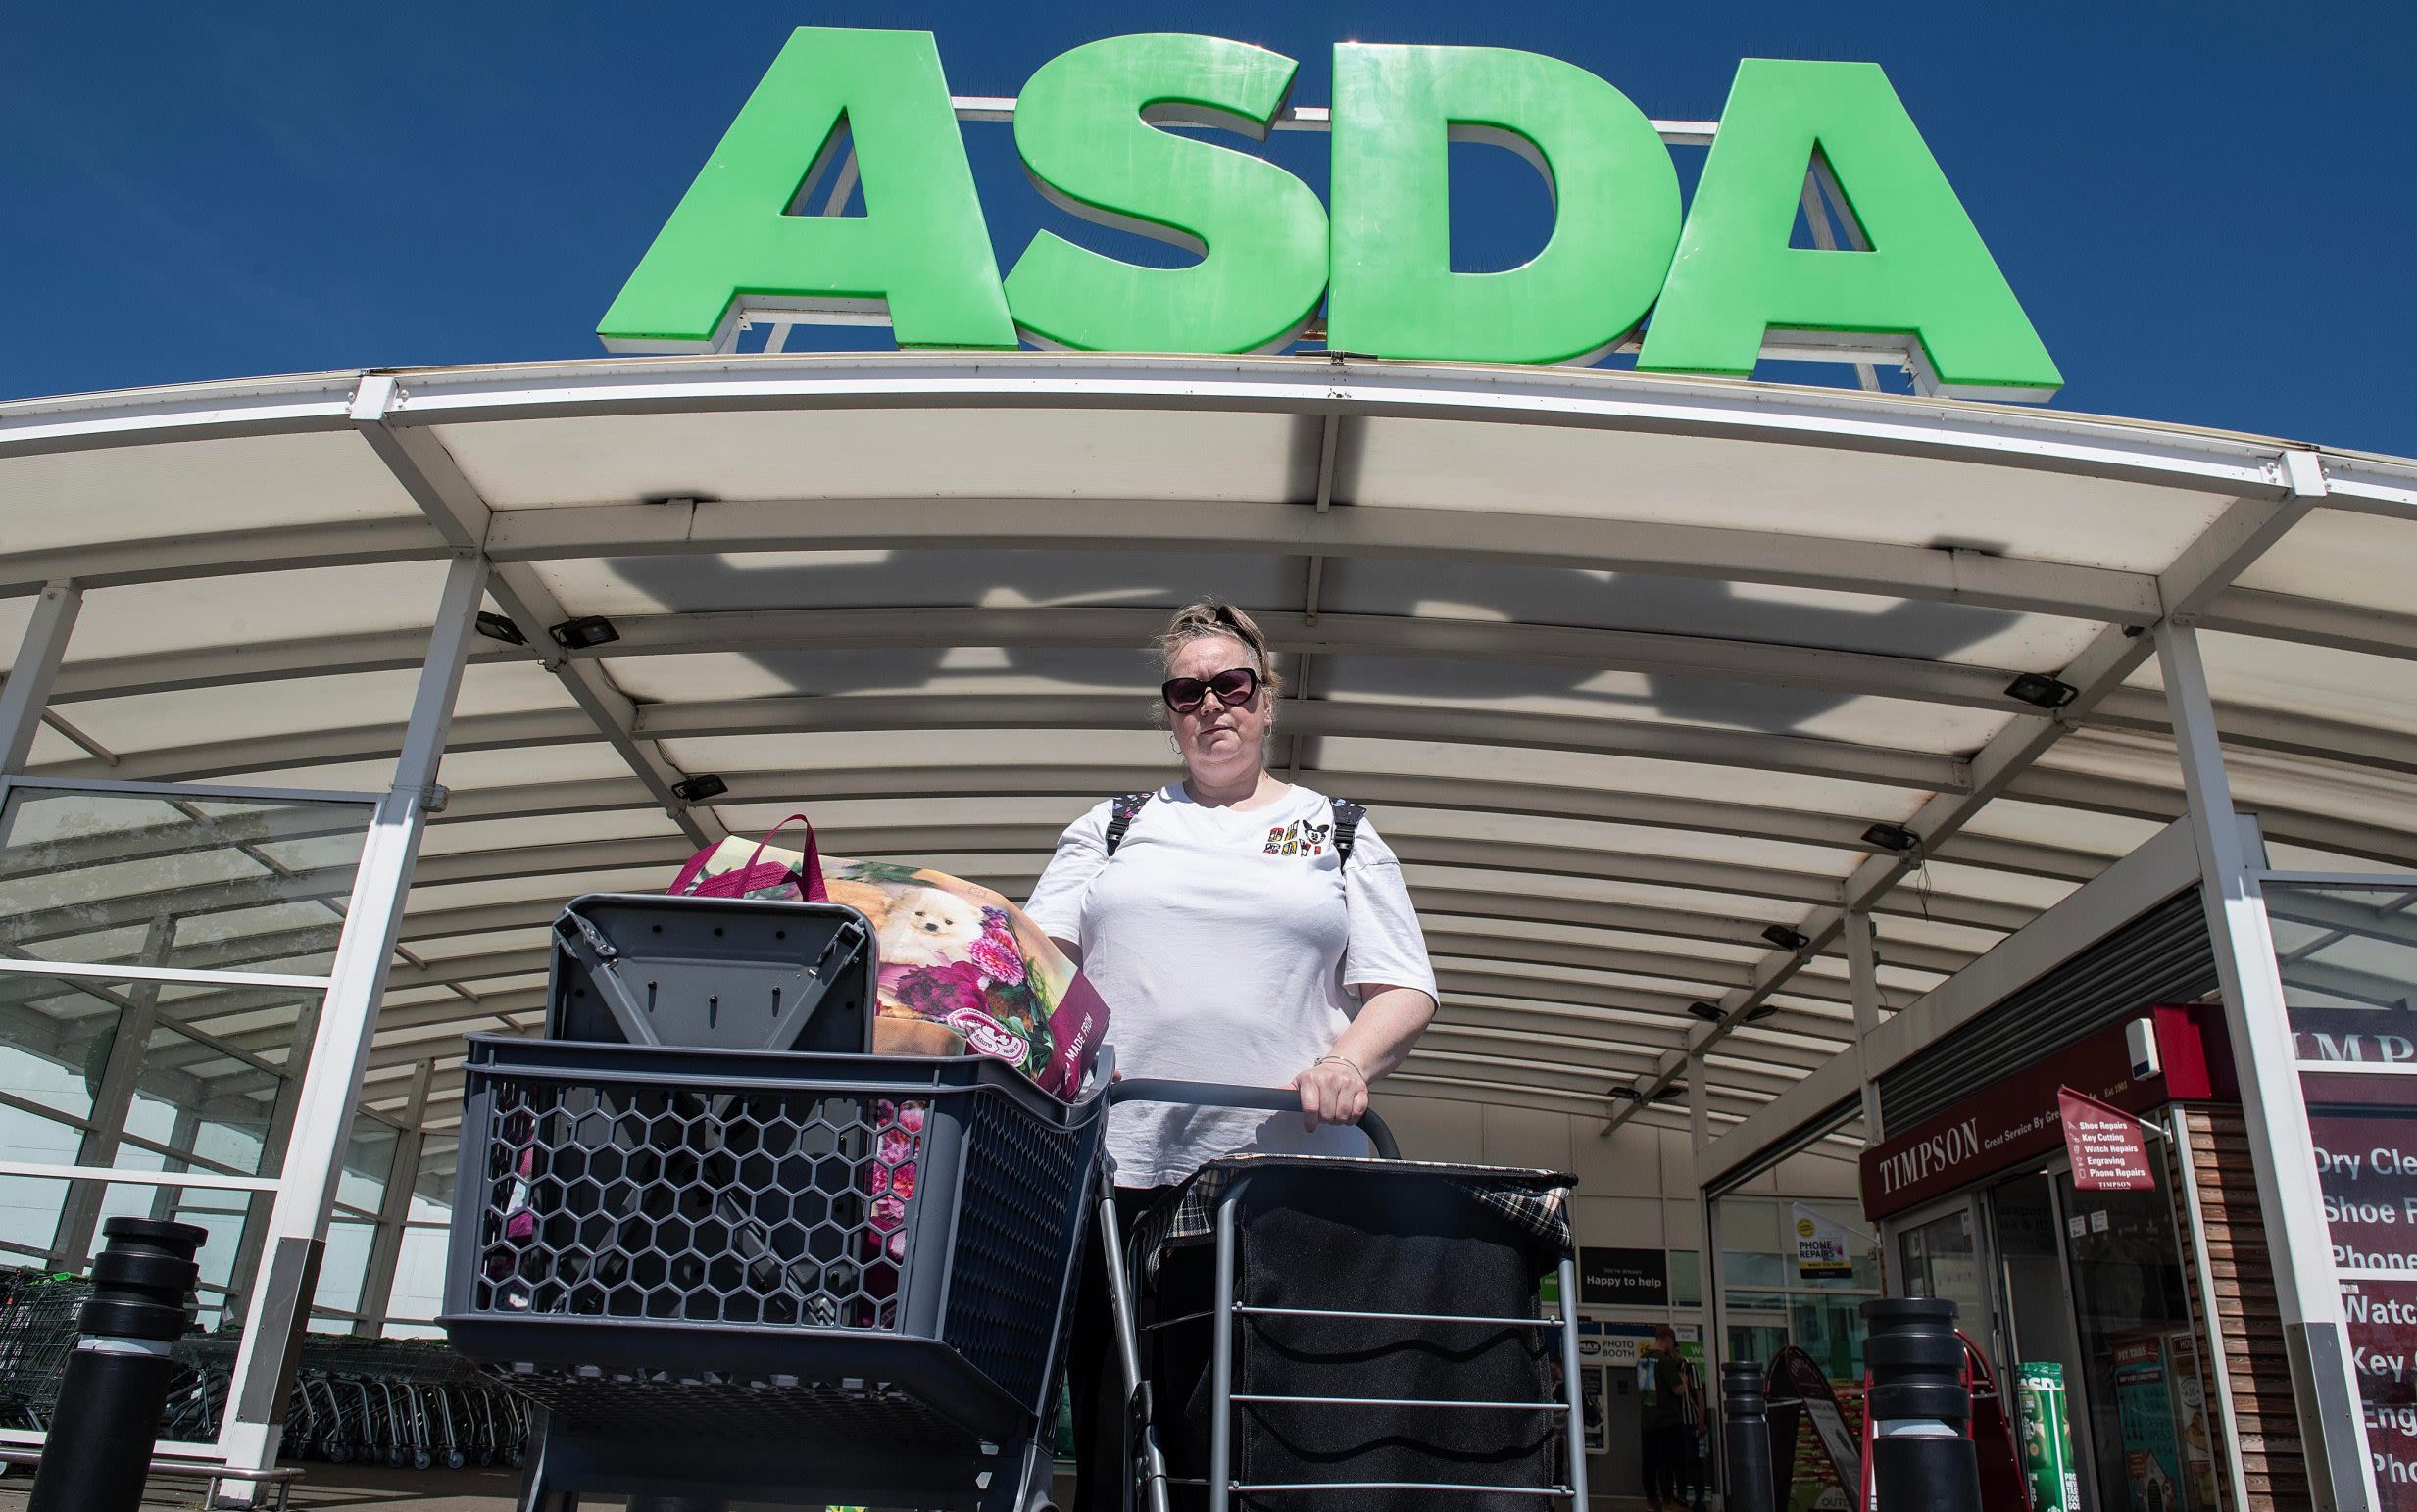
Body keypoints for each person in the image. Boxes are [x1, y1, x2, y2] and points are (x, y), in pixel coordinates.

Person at [1024, 599, 1440, 1512]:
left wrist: (1347, 1064)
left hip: (1282, 1182)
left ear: (1266, 700)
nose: (1210, 704)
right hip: (1118, 1174)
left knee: (1264, 1433)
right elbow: (1034, 964)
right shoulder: (1115, 827)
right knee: (1114, 1436)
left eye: (1230, 684)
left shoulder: (1337, 829)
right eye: (1186, 690)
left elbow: (1403, 988)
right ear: (1169, 709)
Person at [1638, 1324, 1706, 1512]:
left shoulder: (1643, 1360)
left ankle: (1652, 1499)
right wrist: (1683, 1381)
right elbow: (1677, 1390)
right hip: (1668, 1421)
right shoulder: (1664, 1361)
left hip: (1648, 1420)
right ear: (1667, 1339)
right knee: (1669, 1461)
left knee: (1650, 1462)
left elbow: (1647, 1394)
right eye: (1671, 1343)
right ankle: (1669, 1500)